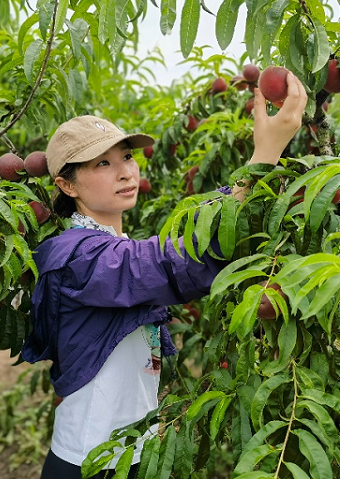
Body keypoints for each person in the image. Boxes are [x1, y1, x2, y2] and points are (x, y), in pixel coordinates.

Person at [22, 72, 308, 479]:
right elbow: (172, 262)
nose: (125, 172)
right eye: (103, 163)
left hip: (135, 452)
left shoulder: (113, 247)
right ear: (66, 185)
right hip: (89, 461)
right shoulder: (73, 256)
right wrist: (262, 159)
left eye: (127, 157)